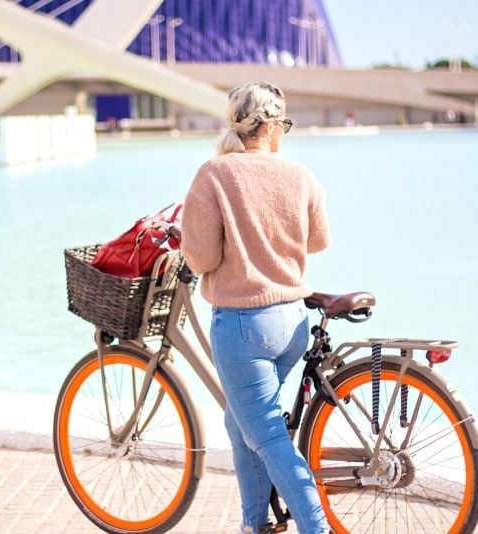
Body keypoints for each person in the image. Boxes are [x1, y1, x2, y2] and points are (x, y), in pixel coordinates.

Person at [180, 82, 332, 534]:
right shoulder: (300, 174)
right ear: (269, 126)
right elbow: (320, 240)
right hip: (293, 322)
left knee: (266, 435)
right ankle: (255, 525)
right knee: (241, 422)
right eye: (283, 124)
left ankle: (316, 528)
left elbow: (202, 258)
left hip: (245, 326)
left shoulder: (215, 173)